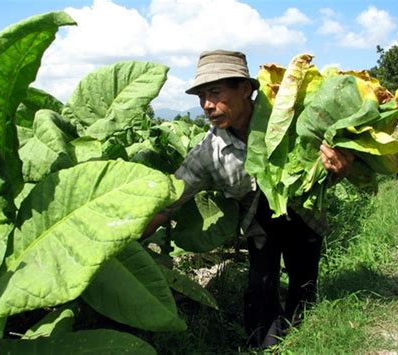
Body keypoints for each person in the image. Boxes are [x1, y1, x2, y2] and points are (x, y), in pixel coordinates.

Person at [143, 49, 353, 349]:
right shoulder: (209, 153)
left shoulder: (290, 122)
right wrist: (127, 238)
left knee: (303, 283)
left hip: (302, 216)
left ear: (244, 90)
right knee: (259, 289)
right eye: (201, 96)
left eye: (215, 92)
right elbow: (168, 201)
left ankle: (308, 339)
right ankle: (266, 346)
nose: (207, 105)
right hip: (260, 223)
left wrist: (339, 169)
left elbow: (325, 173)